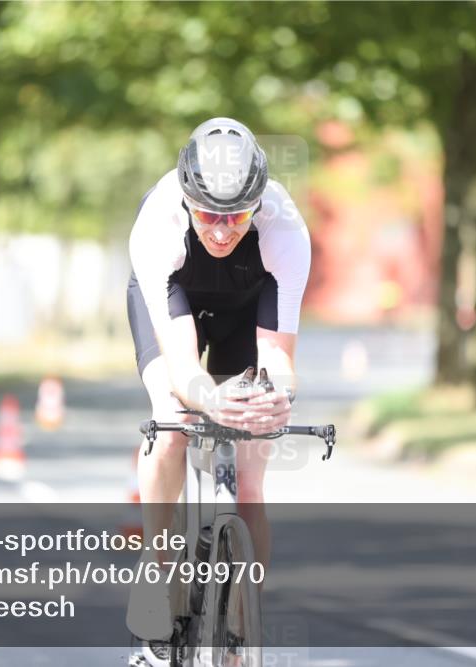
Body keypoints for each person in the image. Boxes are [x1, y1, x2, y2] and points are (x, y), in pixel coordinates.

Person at [125, 118, 311, 644]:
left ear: (258, 204)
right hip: (175, 299)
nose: (223, 229)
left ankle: (241, 628)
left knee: (250, 480)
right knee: (170, 423)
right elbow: (183, 367)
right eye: (208, 214)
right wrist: (207, 397)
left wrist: (276, 400)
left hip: (248, 306)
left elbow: (278, 355)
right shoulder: (159, 223)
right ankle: (158, 572)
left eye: (237, 215)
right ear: (187, 201)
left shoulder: (286, 228)